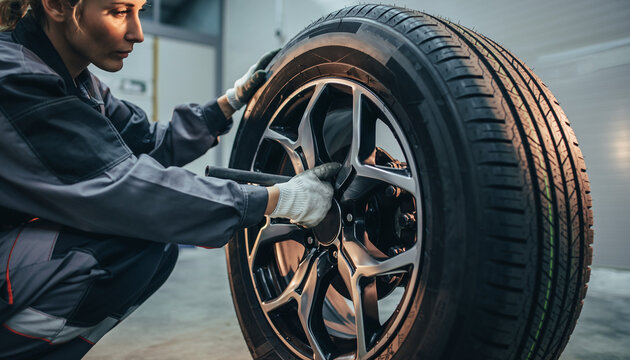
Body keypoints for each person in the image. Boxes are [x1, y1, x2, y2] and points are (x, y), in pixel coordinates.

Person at [0, 0, 339, 358]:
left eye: (140, 11)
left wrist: (230, 101)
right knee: (126, 245)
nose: (138, 33)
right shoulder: (17, 79)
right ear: (55, 6)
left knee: (150, 244)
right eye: (118, 12)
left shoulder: (77, 81)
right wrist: (276, 200)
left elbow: (149, 143)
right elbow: (128, 192)